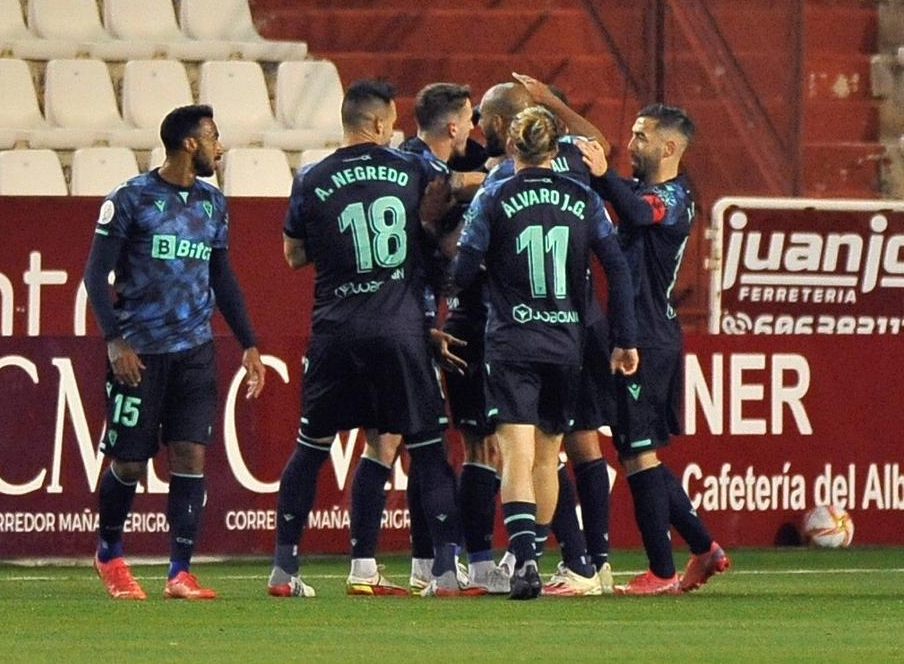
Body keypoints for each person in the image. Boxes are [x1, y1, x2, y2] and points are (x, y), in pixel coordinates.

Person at [268, 79, 474, 598]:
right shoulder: (412, 168)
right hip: (400, 327)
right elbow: (447, 198)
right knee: (427, 450)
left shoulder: (311, 177)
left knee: (311, 448)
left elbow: (293, 256)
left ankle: (284, 570)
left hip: (336, 329)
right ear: (382, 124)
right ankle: (446, 572)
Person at [449, 105, 639, 600]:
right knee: (549, 456)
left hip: (512, 339)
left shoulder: (493, 195)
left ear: (512, 148)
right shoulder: (583, 196)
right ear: (557, 149)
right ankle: (529, 552)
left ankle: (525, 559)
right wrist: (625, 337)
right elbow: (617, 268)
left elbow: (463, 270)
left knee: (515, 451)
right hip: (567, 343)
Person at [83, 104, 266, 601]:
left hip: (195, 350)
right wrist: (115, 340)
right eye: (214, 137)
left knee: (190, 454)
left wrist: (249, 342)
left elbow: (222, 277)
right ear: (190, 143)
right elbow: (95, 276)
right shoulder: (131, 199)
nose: (220, 147)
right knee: (129, 463)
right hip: (139, 353)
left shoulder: (213, 204)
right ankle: (110, 554)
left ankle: (179, 571)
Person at [577, 103, 731, 595]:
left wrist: (602, 177)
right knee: (633, 449)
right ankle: (704, 549)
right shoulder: (648, 190)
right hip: (641, 332)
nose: (633, 142)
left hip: (644, 338)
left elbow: (639, 212)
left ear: (668, 147)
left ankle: (661, 572)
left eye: (642, 136)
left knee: (638, 454)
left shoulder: (673, 198)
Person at [399, 82, 508, 594]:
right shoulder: (418, 168)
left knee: (430, 444)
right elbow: (436, 203)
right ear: (452, 125)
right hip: (433, 320)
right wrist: (486, 179)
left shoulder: (418, 164)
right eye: (469, 120)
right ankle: (467, 561)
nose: (475, 130)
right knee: (467, 446)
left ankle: (433, 561)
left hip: (431, 316)